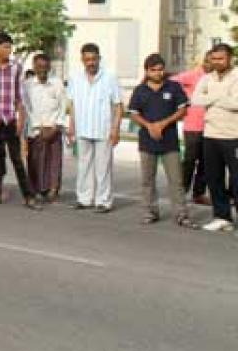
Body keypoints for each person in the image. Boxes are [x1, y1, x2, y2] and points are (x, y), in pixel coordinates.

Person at [0, 33, 39, 209]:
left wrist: (21, 118)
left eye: (9, 47)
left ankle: (28, 195)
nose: (8, 50)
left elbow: (19, 95)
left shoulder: (16, 68)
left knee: (16, 159)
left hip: (8, 119)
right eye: (5, 47)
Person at [127, 53, 191, 226]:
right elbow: (133, 113)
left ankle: (181, 214)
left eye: (160, 69)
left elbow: (183, 110)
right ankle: (150, 212)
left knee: (176, 179)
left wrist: (163, 124)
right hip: (147, 141)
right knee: (147, 180)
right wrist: (149, 126)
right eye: (153, 70)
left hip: (169, 141)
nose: (158, 73)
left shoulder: (173, 87)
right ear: (147, 71)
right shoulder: (140, 90)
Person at [66, 43, 123, 213]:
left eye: (93, 59)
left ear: (99, 58)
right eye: (87, 59)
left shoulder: (109, 77)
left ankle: (103, 201)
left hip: (103, 129)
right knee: (84, 166)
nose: (90, 62)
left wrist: (115, 129)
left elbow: (119, 105)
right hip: (83, 128)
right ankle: (84, 198)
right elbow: (72, 104)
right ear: (82, 60)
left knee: (103, 167)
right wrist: (71, 126)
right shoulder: (75, 78)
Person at [192, 43, 238, 233]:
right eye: (214, 59)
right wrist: (221, 97)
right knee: (214, 178)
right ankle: (222, 217)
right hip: (210, 134)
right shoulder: (206, 78)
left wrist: (211, 97)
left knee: (236, 180)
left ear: (230, 58)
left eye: (221, 58)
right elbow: (195, 100)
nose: (217, 62)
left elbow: (236, 103)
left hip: (233, 135)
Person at [21, 54, 67, 203]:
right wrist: (38, 126)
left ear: (49, 68)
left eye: (45, 67)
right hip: (35, 129)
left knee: (54, 161)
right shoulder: (27, 85)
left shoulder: (57, 83)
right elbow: (27, 107)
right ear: (34, 67)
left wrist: (56, 126)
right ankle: (36, 189)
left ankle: (53, 188)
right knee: (34, 161)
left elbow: (63, 105)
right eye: (39, 67)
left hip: (53, 127)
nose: (42, 70)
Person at [173, 54, 211, 206]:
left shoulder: (215, 78)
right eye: (207, 61)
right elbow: (171, 81)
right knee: (190, 160)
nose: (210, 64)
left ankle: (199, 193)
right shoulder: (193, 75)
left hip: (211, 127)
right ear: (202, 61)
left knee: (206, 162)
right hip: (193, 126)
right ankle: (181, 191)